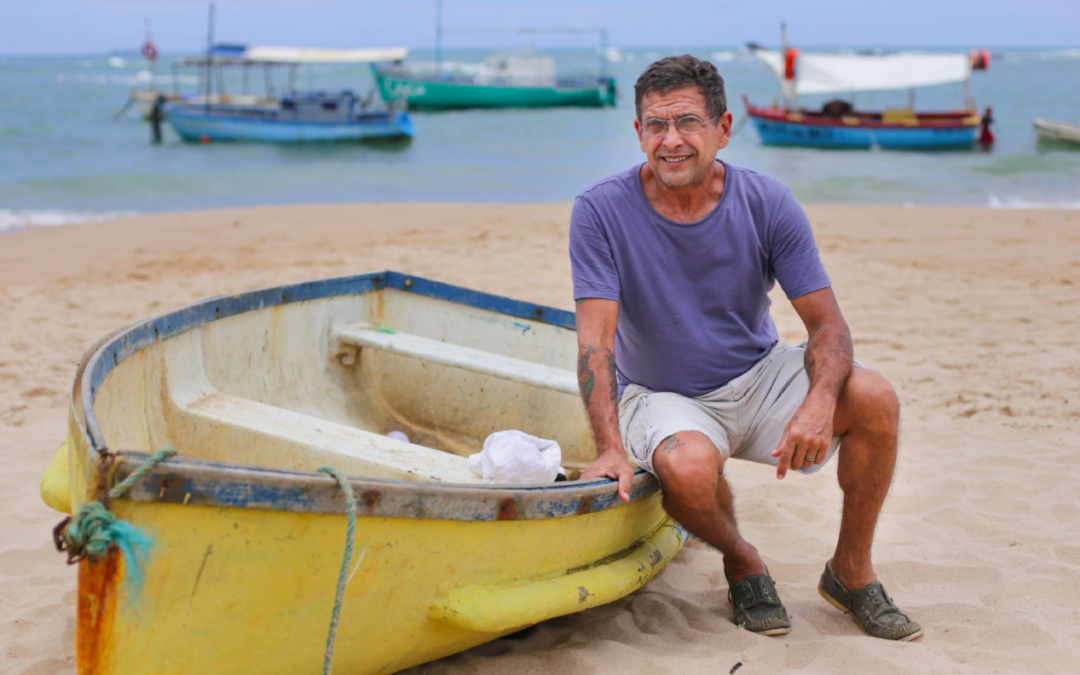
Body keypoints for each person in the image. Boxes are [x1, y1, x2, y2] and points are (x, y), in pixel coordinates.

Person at [569, 55, 922, 642]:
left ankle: (851, 573)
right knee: (686, 465)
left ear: (723, 128)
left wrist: (818, 402)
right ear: (638, 133)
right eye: (655, 126)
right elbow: (595, 344)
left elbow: (827, 327)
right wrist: (608, 447)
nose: (671, 140)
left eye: (687, 122)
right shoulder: (600, 210)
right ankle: (742, 560)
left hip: (758, 376)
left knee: (876, 397)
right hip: (662, 393)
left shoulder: (768, 202)